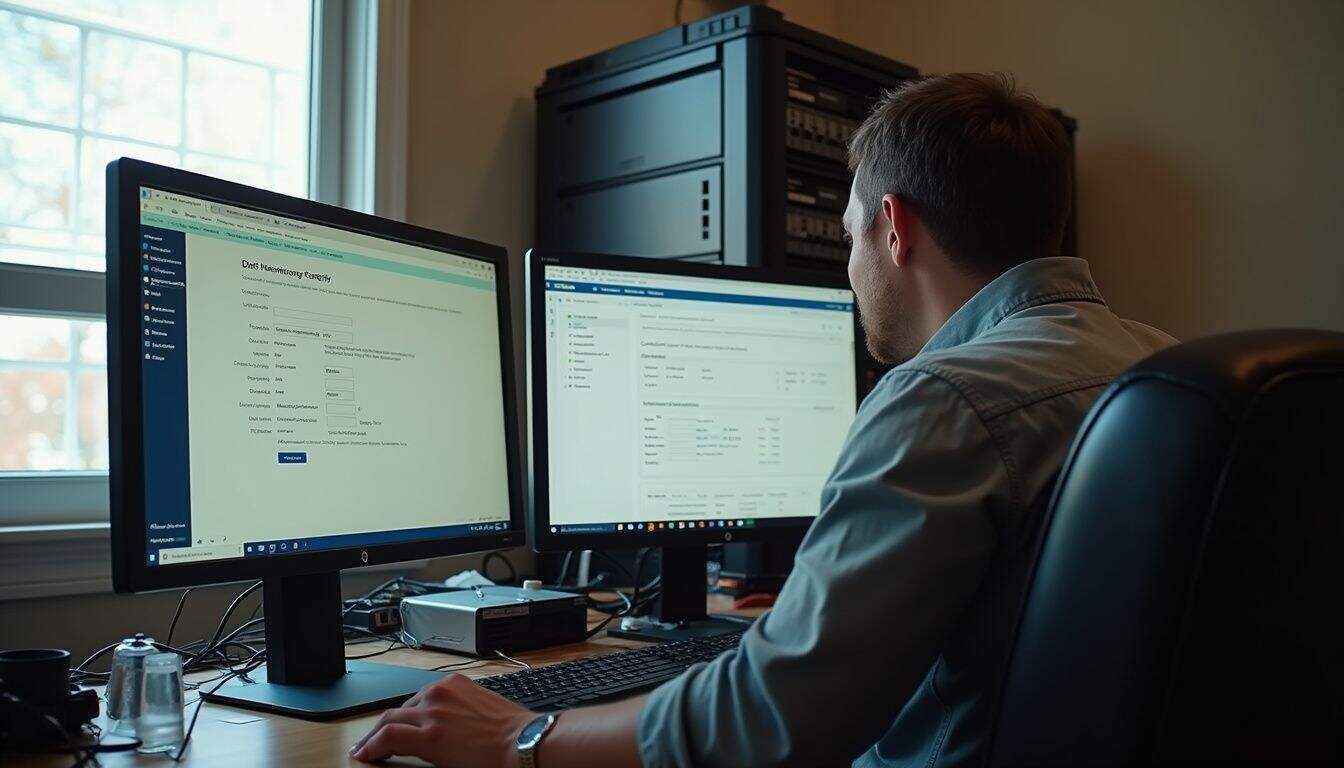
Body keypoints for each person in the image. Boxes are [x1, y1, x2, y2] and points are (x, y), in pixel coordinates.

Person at [350, 72, 1175, 768]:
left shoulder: (946, 398)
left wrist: (522, 735)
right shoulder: (1172, 370)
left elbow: (783, 714)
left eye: (848, 235)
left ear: (893, 228)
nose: (850, 270)